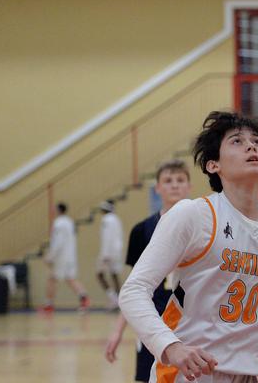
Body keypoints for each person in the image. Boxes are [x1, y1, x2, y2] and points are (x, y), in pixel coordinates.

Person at [119, 111, 258, 383]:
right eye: (237, 141)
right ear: (213, 165)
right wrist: (170, 346)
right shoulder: (193, 215)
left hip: (248, 375)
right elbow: (133, 291)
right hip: (188, 373)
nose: (252, 146)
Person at [105, 160, 193, 382]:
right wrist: (118, 331)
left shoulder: (203, 225)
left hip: (191, 322)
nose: (174, 185)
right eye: (168, 180)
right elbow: (133, 286)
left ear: (189, 186)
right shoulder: (142, 230)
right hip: (153, 323)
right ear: (158, 188)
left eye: (180, 180)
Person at [43, 202, 90, 312]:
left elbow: (58, 242)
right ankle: (84, 297)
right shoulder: (69, 222)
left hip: (61, 257)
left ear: (59, 210)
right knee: (70, 278)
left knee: (52, 279)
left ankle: (49, 304)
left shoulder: (58, 223)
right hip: (70, 256)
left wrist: (50, 256)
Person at [97, 199, 125, 310]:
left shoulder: (106, 220)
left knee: (99, 275)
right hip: (117, 252)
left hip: (108, 253)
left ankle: (114, 299)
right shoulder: (116, 219)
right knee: (114, 275)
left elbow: (107, 239)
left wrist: (105, 255)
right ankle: (119, 301)